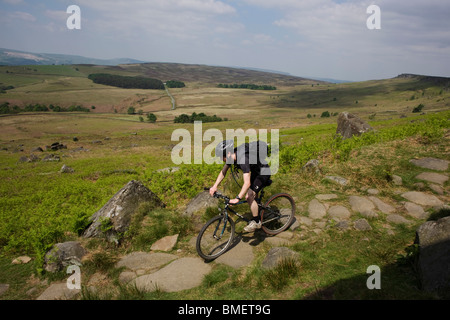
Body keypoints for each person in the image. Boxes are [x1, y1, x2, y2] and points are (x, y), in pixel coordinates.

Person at [209, 140, 271, 232]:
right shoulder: (232, 157)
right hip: (255, 171)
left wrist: (237, 198)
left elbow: (247, 183)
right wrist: (214, 186)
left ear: (228, 153)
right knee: (253, 195)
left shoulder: (243, 159)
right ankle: (259, 210)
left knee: (249, 196)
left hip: (263, 172)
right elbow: (223, 172)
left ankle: (257, 222)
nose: (222, 159)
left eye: (222, 157)